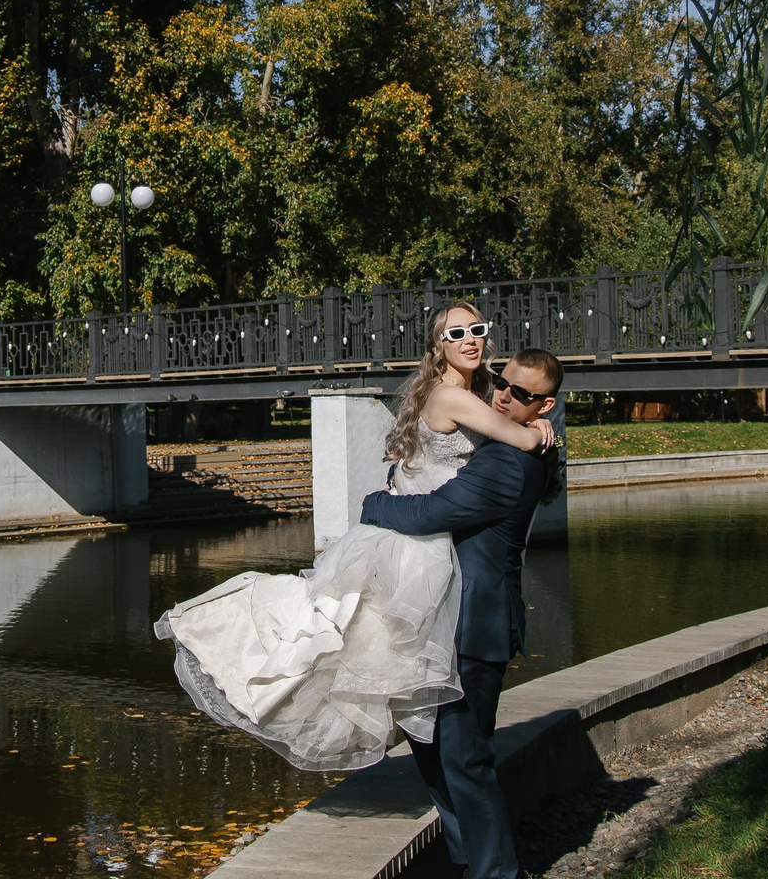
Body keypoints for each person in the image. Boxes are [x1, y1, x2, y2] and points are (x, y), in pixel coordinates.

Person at [152, 304, 555, 776]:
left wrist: (527, 419)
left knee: (392, 661)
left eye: (478, 330)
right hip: (418, 539)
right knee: (374, 652)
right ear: (437, 344)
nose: (470, 339)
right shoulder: (456, 397)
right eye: (457, 333)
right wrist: (536, 428)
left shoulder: (481, 393)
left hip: (434, 538)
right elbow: (522, 444)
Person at [355, 347, 566, 879]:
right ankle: (473, 873)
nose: (503, 397)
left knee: (463, 757)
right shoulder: (502, 443)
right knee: (430, 749)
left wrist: (374, 503)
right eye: (502, 384)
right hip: (445, 621)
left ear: (543, 405)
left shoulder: (509, 466)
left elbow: (429, 515)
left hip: (477, 625)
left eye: (521, 395)